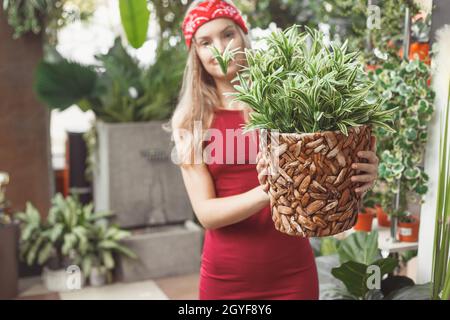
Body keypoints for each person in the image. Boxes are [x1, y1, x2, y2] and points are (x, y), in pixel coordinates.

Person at [167, 0, 379, 300]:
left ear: (243, 36)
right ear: (196, 54)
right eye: (205, 42)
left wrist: (359, 177)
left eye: (228, 34)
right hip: (225, 279)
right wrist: (273, 189)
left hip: (293, 275)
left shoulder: (286, 104)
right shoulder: (190, 121)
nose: (219, 48)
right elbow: (206, 213)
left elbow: (320, 179)